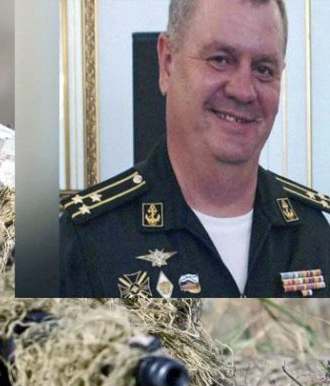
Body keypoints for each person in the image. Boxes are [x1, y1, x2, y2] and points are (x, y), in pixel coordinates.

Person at [60, 0, 330, 298]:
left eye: (264, 69)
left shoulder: (314, 233)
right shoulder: (87, 242)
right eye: (220, 59)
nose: (243, 90)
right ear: (167, 63)